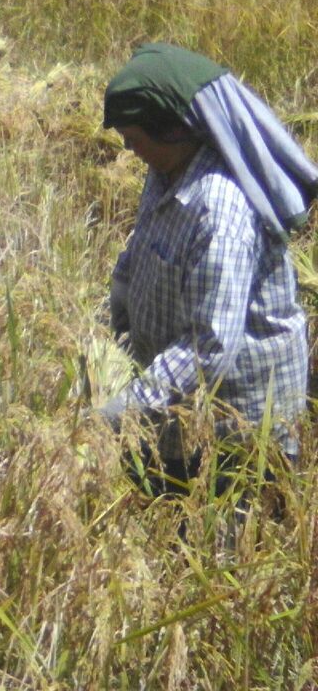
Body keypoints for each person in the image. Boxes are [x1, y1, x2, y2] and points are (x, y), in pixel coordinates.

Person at [100, 43, 317, 492]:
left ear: (173, 130)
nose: (128, 149)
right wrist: (122, 288)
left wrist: (124, 411)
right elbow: (145, 234)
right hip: (182, 406)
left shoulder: (219, 211)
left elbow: (208, 348)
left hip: (238, 429)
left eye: (133, 138)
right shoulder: (167, 169)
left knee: (221, 531)